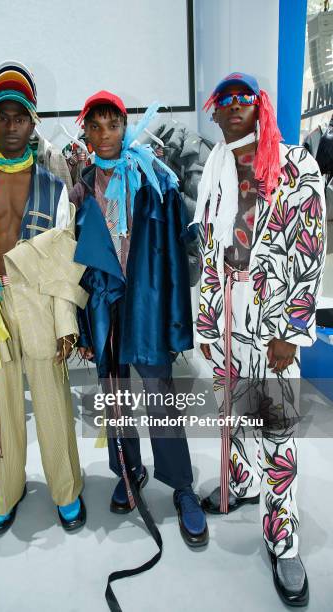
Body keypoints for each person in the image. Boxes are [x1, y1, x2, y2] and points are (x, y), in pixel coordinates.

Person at [192, 72, 326, 606]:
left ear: (260, 105)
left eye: (241, 99)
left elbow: (309, 249)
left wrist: (290, 330)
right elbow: (207, 248)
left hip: (270, 318)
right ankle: (243, 484)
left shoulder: (295, 165)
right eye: (221, 102)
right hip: (226, 311)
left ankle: (284, 537)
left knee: (277, 427)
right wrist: (206, 320)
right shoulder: (216, 169)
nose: (230, 109)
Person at [0, 61, 88, 536]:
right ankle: (5, 494)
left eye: (20, 116)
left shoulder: (52, 184)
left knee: (52, 403)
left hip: (39, 299)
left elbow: (65, 258)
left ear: (33, 121)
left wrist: (66, 322)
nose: (11, 125)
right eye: (2, 116)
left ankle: (66, 492)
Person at [70, 90, 208, 547]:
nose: (105, 134)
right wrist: (84, 326)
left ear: (125, 127)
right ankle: (129, 473)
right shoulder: (81, 188)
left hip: (147, 306)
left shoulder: (154, 179)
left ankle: (182, 486)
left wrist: (173, 322)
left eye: (112, 124)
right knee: (116, 399)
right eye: (96, 125)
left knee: (161, 398)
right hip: (106, 309)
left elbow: (170, 258)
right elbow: (76, 267)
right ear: (85, 131)